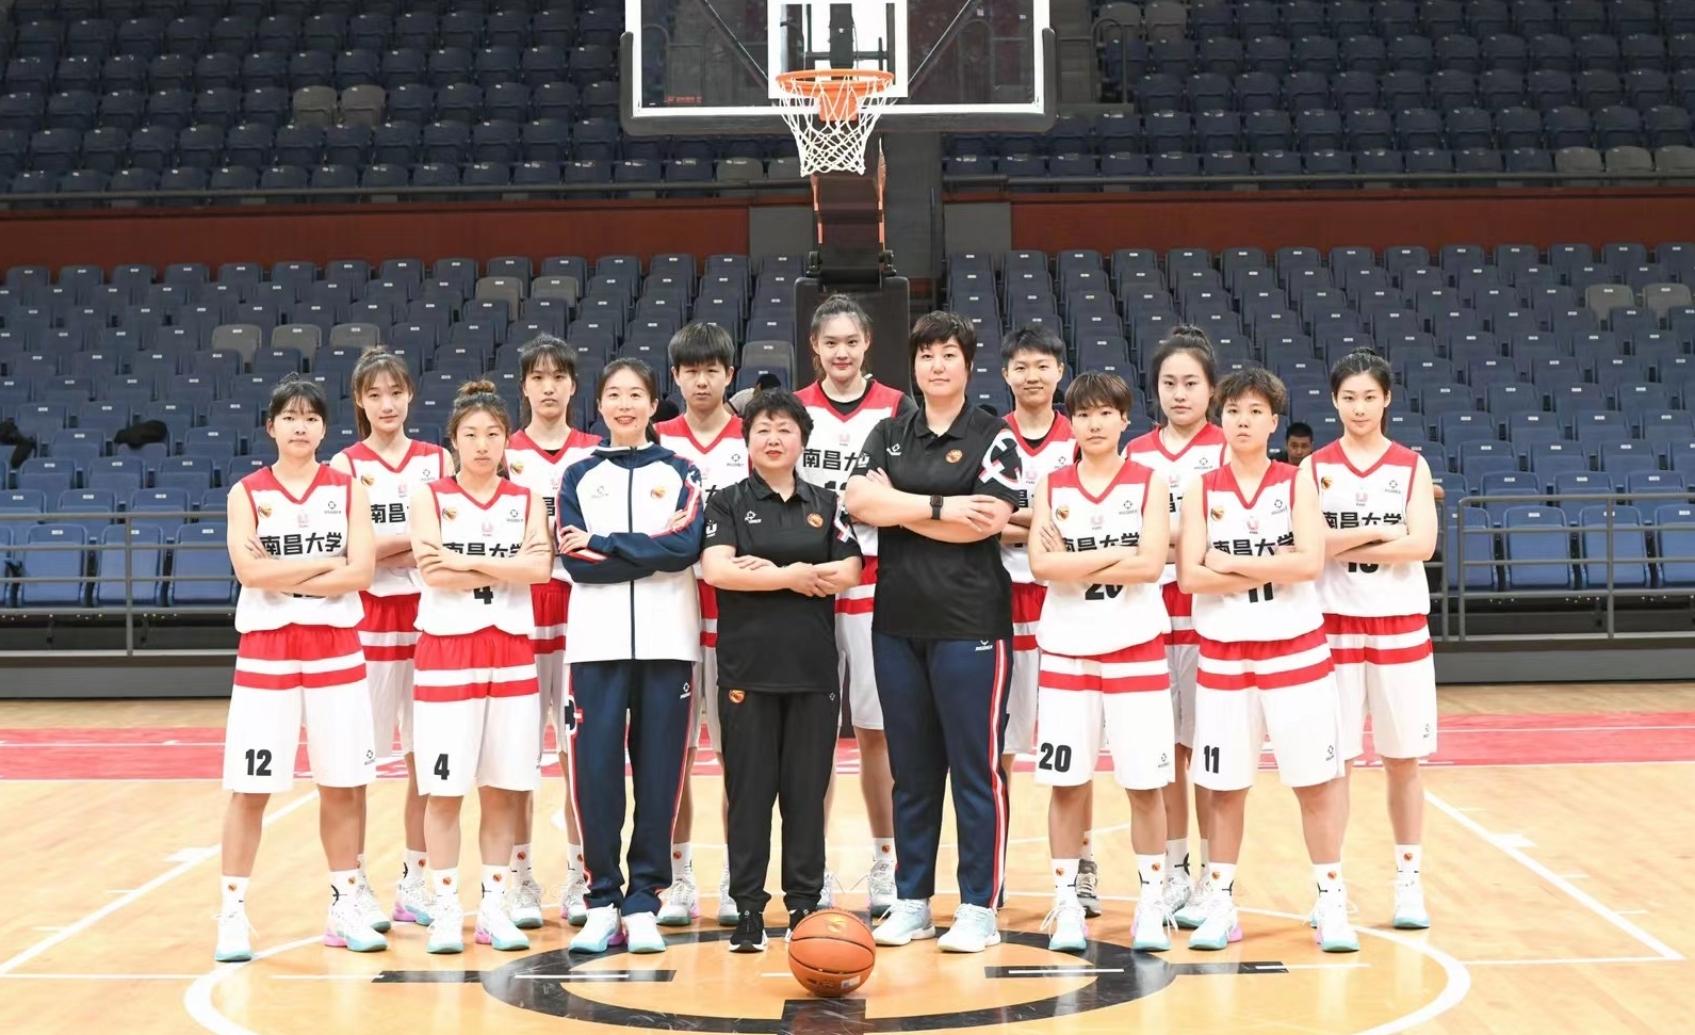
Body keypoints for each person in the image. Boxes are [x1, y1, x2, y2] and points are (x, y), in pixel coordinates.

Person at [844, 312, 1022, 954]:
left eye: (948, 354)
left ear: (968, 364)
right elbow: (859, 502)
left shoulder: (993, 435)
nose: (936, 365)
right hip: (897, 622)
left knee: (975, 771)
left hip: (971, 622)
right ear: (913, 365)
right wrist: (942, 505)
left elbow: (989, 520)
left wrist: (900, 507)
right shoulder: (888, 432)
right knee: (912, 774)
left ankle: (978, 907)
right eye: (925, 355)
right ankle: (913, 901)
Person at [1177, 368, 1356, 954]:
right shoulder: (1203, 489)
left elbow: (1308, 564)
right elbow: (1190, 576)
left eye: (1255, 411)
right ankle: (1221, 901)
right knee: (1225, 787)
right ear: (1220, 418)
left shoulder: (1297, 482)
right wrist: (1267, 565)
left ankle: (1330, 899)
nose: (1243, 420)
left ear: (1274, 421)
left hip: (1294, 652)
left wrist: (1229, 565)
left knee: (1315, 784)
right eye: (1233, 411)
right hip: (1225, 657)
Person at [216, 376, 381, 962]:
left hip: (336, 646)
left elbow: (362, 573)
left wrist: (285, 572)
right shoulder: (247, 493)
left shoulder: (348, 489)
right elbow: (250, 573)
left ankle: (345, 904)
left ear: (324, 428)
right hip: (268, 650)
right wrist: (325, 565)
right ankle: (231, 913)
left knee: (342, 784)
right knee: (250, 789)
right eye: (290, 417)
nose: (301, 426)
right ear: (271, 427)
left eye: (311, 417)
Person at [701, 390, 863, 952]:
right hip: (747, 668)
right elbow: (719, 570)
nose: (773, 439)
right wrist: (796, 575)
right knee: (748, 794)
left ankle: (804, 904)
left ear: (803, 440)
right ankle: (748, 909)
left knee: (805, 794)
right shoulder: (726, 502)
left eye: (784, 429)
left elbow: (849, 570)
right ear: (746, 440)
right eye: (763, 429)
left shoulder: (828, 502)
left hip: (812, 668)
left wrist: (767, 570)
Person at [557, 358, 706, 955]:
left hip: (669, 639)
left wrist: (605, 543)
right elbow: (577, 564)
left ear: (653, 403)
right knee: (595, 772)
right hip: (595, 644)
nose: (624, 404)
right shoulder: (576, 475)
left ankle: (645, 901)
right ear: (598, 404)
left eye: (635, 394)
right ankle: (601, 901)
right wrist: (645, 552)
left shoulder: (681, 470)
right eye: (614, 394)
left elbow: (684, 547)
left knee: (661, 772)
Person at [1027, 371, 1175, 954]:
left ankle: (1151, 902)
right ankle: (1067, 903)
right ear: (1072, 422)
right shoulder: (1052, 483)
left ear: (1123, 419)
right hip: (1068, 651)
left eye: (1104, 413)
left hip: (1136, 650)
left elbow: (1150, 566)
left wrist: (1079, 559)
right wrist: (1120, 553)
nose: (1093, 424)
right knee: (1067, 784)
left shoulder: (1149, 481)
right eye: (1083, 414)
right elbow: (1041, 566)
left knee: (1145, 784)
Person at [407, 381, 554, 955]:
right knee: (444, 791)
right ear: (454, 441)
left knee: (502, 789)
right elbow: (432, 572)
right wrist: (504, 562)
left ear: (506, 439)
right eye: (471, 434)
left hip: (511, 652)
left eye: (493, 433)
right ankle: (447, 907)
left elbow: (539, 569)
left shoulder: (526, 499)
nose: (483, 444)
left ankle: (494, 905)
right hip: (447, 653)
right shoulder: (430, 496)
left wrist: (463, 559)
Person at [1309, 347, 1439, 930]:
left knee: (1402, 759)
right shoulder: (1315, 468)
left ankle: (1408, 882)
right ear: (1334, 401)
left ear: (1386, 399)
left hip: (1399, 626)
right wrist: (1378, 531)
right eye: (1348, 397)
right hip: (1332, 626)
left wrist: (1344, 541)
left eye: (1369, 396)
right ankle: (1329, 889)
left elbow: (1422, 545)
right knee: (1334, 763)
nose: (1359, 407)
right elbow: (1309, 547)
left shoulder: (1411, 466)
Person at [794, 293, 913, 918]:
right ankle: (810, 868)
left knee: (875, 731)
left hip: (874, 581)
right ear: (814, 347)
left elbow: (906, 494)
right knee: (811, 734)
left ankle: (886, 860)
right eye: (830, 342)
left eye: (851, 341)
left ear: (867, 344)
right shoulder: (793, 410)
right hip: (807, 583)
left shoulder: (897, 407)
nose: (841, 353)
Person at [330, 346, 451, 931]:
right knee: (357, 763)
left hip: (431, 617)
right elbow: (347, 549)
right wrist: (412, 540)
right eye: (375, 394)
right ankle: (352, 887)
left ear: (410, 396)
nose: (387, 404)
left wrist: (384, 545)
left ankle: (413, 881)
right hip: (369, 621)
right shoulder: (344, 465)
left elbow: (447, 539)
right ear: (359, 400)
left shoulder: (438, 459)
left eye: (396, 392)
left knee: (426, 760)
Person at [1123, 327, 1227, 921]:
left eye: (1191, 382)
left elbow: (1221, 533)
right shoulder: (1135, 454)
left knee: (1211, 754)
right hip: (1147, 618)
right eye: (1169, 383)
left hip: (1212, 618)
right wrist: (1183, 540)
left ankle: (1216, 875)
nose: (1180, 393)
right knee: (1163, 755)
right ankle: (1174, 869)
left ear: (1212, 389)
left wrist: (1161, 541)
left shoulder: (1230, 449)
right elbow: (1129, 535)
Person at [502, 335, 603, 928]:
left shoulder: (594, 452)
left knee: (576, 753)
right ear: (524, 387)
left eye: (558, 377)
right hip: (517, 608)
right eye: (537, 378)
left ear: (572, 386)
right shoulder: (500, 451)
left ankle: (578, 874)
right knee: (517, 755)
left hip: (581, 606)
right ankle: (518, 877)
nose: (547, 387)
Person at [652, 322, 748, 926]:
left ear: (729, 374)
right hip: (673, 613)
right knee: (676, 755)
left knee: (740, 754)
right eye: (691, 370)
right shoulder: (658, 440)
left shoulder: (754, 435)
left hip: (740, 613)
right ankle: (679, 876)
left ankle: (739, 875)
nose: (703, 380)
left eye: (713, 369)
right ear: (676, 377)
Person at [996, 327, 1075, 786]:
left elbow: (1085, 520)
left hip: (1064, 593)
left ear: (1059, 371)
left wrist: (1015, 517)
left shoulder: (1079, 437)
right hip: (1002, 593)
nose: (1032, 376)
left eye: (1043, 366)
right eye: (1022, 367)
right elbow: (984, 520)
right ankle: (1000, 828)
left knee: (1071, 734)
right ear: (1005, 374)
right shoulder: (990, 436)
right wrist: (1046, 520)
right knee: (1003, 736)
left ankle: (1078, 834)